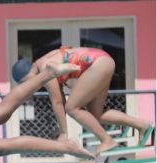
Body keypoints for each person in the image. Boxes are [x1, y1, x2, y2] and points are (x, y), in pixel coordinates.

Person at [12, 46, 153, 155]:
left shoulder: (45, 69)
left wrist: (63, 133)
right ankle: (142, 125)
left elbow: (58, 102)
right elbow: (60, 97)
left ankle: (107, 140)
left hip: (97, 64)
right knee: (96, 115)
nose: (29, 87)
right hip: (104, 60)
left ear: (28, 75)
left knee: (72, 108)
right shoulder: (43, 61)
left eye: (26, 83)